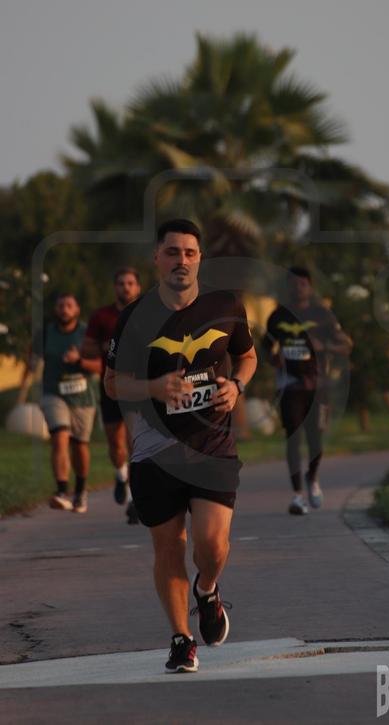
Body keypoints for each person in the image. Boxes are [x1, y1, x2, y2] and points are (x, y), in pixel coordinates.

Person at [104, 219, 257, 674]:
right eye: (172, 252)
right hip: (155, 446)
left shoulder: (225, 305)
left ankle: (207, 590)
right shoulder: (135, 317)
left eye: (189, 253)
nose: (181, 261)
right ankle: (181, 639)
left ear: (200, 259)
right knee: (168, 547)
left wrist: (237, 386)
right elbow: (112, 383)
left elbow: (247, 356)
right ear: (157, 258)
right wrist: (153, 387)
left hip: (212, 442)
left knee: (212, 545)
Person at [264, 267, 352, 515]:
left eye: (303, 283)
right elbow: (265, 347)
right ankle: (297, 495)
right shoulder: (278, 315)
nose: (298, 287)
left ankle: (312, 478)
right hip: (289, 385)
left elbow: (346, 345)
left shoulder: (322, 314)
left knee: (315, 439)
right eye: (294, 283)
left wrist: (324, 346)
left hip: (318, 386)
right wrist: (274, 358)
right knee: (293, 437)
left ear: (310, 287)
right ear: (288, 287)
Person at [82, 267, 142, 523]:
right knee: (115, 445)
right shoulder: (101, 316)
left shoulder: (147, 313)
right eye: (121, 283)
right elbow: (87, 350)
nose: (125, 287)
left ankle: (134, 500)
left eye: (130, 283)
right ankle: (120, 475)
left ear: (138, 287)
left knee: (134, 442)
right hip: (111, 385)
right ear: (115, 287)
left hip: (138, 385)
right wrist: (104, 347)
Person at [32, 293, 97, 513]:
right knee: (59, 437)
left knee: (79, 445)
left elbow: (101, 366)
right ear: (55, 309)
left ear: (77, 310)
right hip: (53, 394)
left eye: (69, 305)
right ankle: (61, 491)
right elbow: (33, 356)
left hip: (83, 397)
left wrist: (79, 361)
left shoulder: (87, 333)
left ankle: (80, 490)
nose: (64, 309)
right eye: (60, 305)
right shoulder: (45, 333)